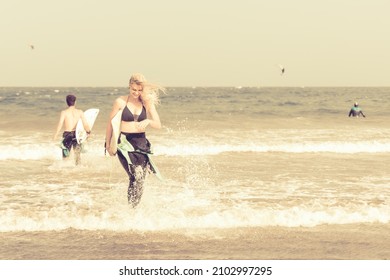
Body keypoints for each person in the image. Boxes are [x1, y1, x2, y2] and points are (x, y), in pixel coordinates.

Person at [105, 73, 165, 207]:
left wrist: (148, 121)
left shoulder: (146, 103)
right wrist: (108, 144)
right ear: (129, 86)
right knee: (135, 175)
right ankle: (131, 209)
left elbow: (158, 125)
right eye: (134, 90)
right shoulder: (120, 102)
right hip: (125, 144)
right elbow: (110, 124)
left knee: (140, 179)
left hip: (141, 145)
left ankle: (134, 209)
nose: (136, 93)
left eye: (139, 90)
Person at [53, 94, 91, 165]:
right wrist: (88, 132)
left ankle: (65, 171)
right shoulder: (80, 112)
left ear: (67, 102)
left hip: (67, 135)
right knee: (77, 156)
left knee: (65, 156)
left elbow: (60, 124)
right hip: (76, 135)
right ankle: (78, 171)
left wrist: (56, 135)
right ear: (75, 102)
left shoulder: (64, 112)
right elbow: (85, 124)